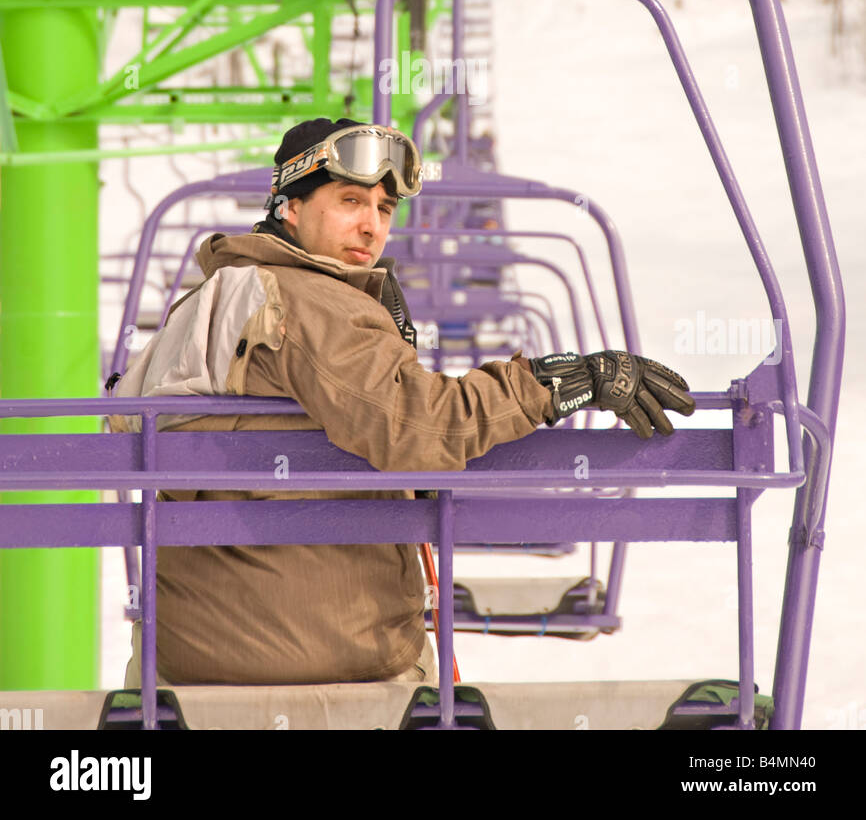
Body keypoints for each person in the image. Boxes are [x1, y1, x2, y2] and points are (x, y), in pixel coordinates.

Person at [112, 117, 695, 688]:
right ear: (289, 205)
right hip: (319, 648)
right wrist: (561, 382)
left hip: (185, 648)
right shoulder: (306, 300)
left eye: (384, 210)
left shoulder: (214, 297)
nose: (371, 226)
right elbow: (417, 425)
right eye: (349, 202)